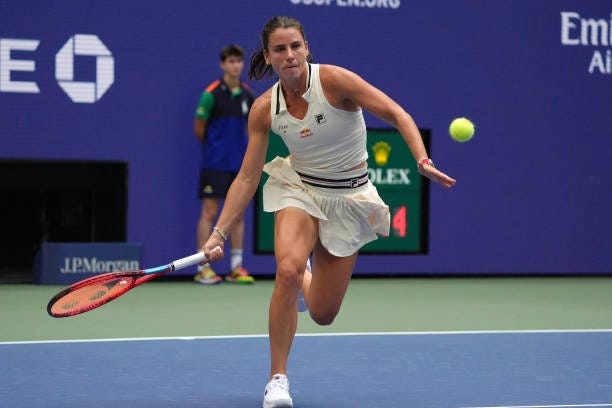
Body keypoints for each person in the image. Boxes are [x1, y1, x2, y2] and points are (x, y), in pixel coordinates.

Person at [200, 16, 456, 407]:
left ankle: (303, 280)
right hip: (299, 189)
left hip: (349, 200)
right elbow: (248, 178)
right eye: (280, 49)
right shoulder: (265, 108)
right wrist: (219, 232)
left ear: (306, 48)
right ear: (267, 57)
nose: (290, 55)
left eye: (296, 46)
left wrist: (421, 159)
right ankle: (277, 380)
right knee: (285, 269)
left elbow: (397, 113)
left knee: (322, 313)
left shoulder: (335, 81)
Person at [193, 44, 256, 285]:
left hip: (238, 166)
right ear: (223, 65)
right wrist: (215, 149)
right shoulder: (211, 94)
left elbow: (251, 130)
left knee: (237, 215)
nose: (235, 66)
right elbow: (199, 129)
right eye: (230, 62)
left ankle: (236, 268)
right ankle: (203, 268)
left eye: (238, 62)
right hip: (214, 163)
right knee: (209, 212)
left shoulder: (248, 95)